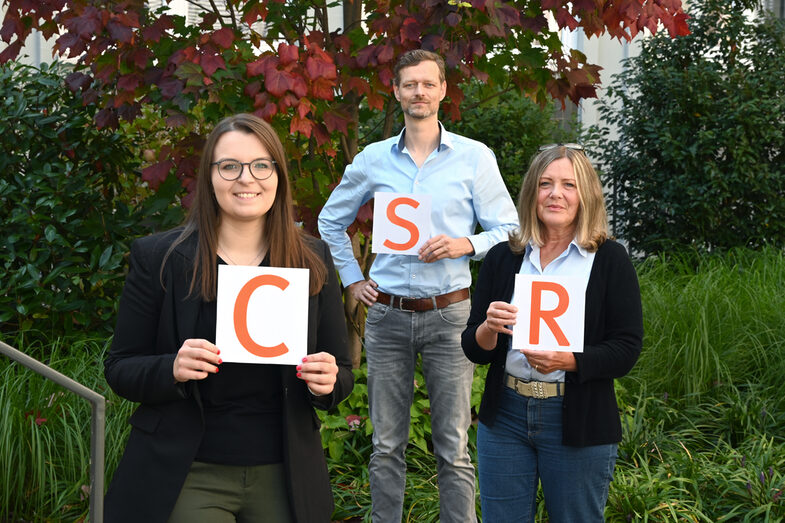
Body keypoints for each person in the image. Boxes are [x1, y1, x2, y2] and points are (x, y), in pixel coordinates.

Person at [104, 114, 354, 523]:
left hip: (284, 471)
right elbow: (120, 367)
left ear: (277, 175)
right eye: (229, 166)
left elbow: (341, 373)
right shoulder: (160, 259)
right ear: (210, 176)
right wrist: (172, 368)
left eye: (260, 165)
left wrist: (328, 380)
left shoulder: (313, 259)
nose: (246, 179)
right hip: (188, 470)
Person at [318, 49, 518, 522]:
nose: (419, 92)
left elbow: (511, 230)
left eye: (428, 84)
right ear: (397, 91)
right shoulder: (372, 160)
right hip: (385, 315)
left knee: (453, 445)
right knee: (386, 445)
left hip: (450, 314)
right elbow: (330, 221)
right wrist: (352, 279)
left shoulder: (474, 157)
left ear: (443, 90)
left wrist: (464, 245)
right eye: (410, 84)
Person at [461, 144, 643, 522]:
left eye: (568, 185)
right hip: (506, 415)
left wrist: (571, 361)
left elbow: (626, 348)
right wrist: (488, 328)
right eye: (545, 183)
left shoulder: (610, 259)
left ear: (586, 195)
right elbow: (475, 349)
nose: (555, 193)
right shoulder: (504, 256)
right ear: (532, 192)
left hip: (575, 415)